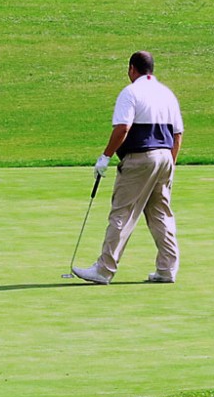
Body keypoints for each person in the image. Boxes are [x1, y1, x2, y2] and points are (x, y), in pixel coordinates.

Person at [73, 52, 183, 285]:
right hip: (165, 157)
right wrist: (170, 163)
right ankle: (167, 269)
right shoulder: (166, 93)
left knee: (122, 212)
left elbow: (123, 128)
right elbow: (177, 134)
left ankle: (104, 270)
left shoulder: (130, 92)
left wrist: (105, 156)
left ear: (132, 69)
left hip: (141, 159)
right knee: (160, 213)